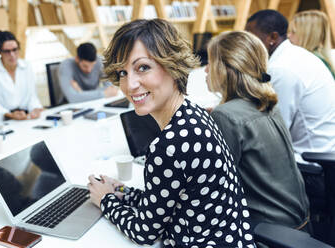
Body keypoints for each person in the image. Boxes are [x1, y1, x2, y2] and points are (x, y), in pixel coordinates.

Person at [88, 19, 256, 247]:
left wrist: (105, 200)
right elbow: (172, 200)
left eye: (143, 67)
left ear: (172, 66)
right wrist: (122, 192)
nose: (130, 85)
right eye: (123, 73)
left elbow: (143, 232)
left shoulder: (169, 145)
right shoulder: (195, 114)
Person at [206, 31, 309, 232]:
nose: (205, 70)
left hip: (265, 231)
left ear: (226, 69)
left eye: (210, 63)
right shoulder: (269, 104)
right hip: (297, 226)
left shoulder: (225, 116)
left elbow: (213, 188)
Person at [245, 10, 335, 161]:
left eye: (251, 37)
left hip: (315, 164)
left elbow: (275, 131)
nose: (247, 44)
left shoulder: (281, 69)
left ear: (272, 37)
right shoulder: (295, 55)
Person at [0, 31, 43, 120]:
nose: (12, 55)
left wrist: (35, 109)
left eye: (15, 49)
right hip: (4, 120)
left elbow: (32, 97)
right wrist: (12, 115)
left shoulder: (27, 66)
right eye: (7, 51)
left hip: (26, 117)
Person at [288, 10, 335, 79]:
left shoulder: (311, 62)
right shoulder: (319, 58)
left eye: (293, 32)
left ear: (308, 35)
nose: (288, 35)